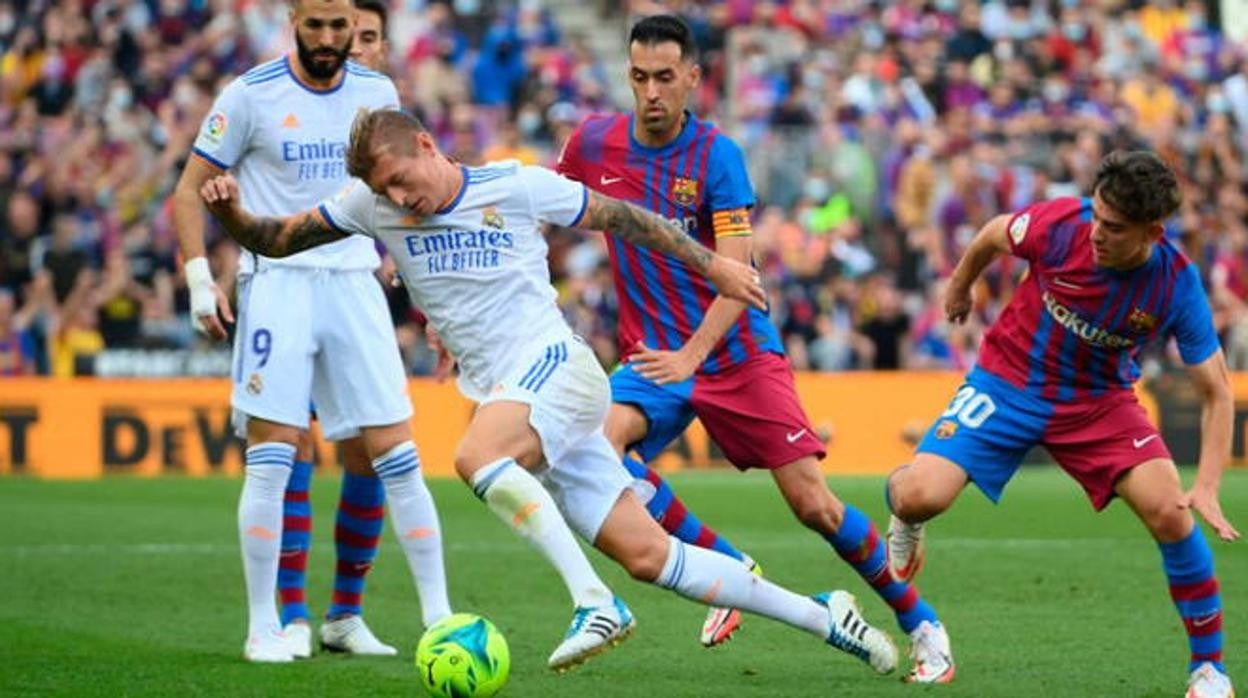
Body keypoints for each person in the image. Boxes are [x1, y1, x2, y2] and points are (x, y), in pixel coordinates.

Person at [199, 106, 901, 676]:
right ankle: (823, 613)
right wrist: (230, 215)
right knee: (652, 558)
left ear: (425, 142)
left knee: (476, 458)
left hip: (558, 367)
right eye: (383, 192)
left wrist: (712, 264)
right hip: (520, 396)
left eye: (399, 179)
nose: (397, 198)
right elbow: (281, 237)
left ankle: (594, 602)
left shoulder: (517, 186)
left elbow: (628, 218)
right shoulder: (370, 205)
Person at [555, 14, 953, 683]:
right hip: (654, 360)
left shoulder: (717, 157)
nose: (651, 91)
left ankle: (921, 622)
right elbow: (540, 204)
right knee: (596, 453)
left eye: (664, 77)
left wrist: (692, 357)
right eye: (638, 76)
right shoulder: (594, 142)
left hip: (733, 354)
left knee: (814, 507)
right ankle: (735, 570)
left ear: (692, 78)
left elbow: (738, 280)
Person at [885, 151, 1238, 698]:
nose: (1097, 232)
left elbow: (1216, 392)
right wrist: (960, 288)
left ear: (1152, 231)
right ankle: (904, 517)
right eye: (1097, 216)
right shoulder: (1062, 224)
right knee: (919, 496)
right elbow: (993, 234)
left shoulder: (1175, 283)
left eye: (1114, 228)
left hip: (1098, 404)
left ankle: (1210, 671)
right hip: (1008, 381)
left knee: (1172, 513)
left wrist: (1208, 486)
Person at [170, 0, 450, 663]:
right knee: (273, 455)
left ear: (356, 25)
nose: (328, 39)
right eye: (315, 24)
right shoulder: (249, 94)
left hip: (354, 282)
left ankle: (436, 618)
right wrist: (198, 282)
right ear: (294, 18)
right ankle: (266, 623)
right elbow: (188, 191)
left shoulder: (378, 92)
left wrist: (430, 299)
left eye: (339, 26)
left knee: (396, 454)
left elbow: (398, 197)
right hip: (278, 285)